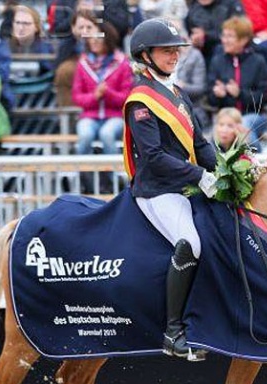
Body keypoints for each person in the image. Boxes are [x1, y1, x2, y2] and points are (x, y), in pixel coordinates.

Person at [125, 18, 217, 360]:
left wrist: (226, 170)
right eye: (167, 51)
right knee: (190, 243)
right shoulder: (141, 101)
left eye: (176, 50)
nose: (174, 56)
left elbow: (200, 144)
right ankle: (174, 331)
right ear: (145, 55)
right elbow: (154, 157)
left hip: (185, 185)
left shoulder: (177, 94)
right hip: (158, 190)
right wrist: (199, 176)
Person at [72, 20, 132, 192]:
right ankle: (86, 179)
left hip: (114, 116)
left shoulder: (122, 63)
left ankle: (112, 180)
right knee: (84, 135)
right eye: (93, 38)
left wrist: (108, 93)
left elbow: (126, 97)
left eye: (99, 38)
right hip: (90, 116)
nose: (95, 41)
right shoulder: (83, 64)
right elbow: (77, 97)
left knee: (107, 134)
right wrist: (95, 96)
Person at [206, 15, 267, 149]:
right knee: (221, 128)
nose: (224, 40)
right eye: (224, 36)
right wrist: (218, 95)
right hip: (225, 116)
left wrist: (239, 94)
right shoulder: (217, 61)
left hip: (252, 115)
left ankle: (256, 159)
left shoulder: (258, 61)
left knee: (243, 126)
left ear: (243, 40)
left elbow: (264, 98)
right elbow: (210, 100)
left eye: (230, 36)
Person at [185, 0, 245, 67]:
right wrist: (195, 38)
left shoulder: (231, 4)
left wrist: (206, 36)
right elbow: (189, 29)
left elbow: (239, 31)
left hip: (224, 51)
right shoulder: (194, 6)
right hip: (202, 51)